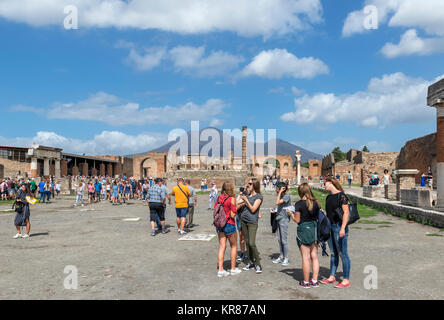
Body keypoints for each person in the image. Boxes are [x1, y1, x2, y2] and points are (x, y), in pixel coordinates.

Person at [321, 178, 351, 288]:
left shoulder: (341, 196)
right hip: (330, 227)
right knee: (333, 253)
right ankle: (332, 276)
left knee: (343, 253)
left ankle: (346, 279)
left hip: (339, 227)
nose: (323, 185)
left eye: (324, 183)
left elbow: (346, 213)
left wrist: (343, 228)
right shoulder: (328, 197)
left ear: (331, 183)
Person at [290, 183, 321, 288]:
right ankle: (315, 280)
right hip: (314, 228)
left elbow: (297, 220)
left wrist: (291, 214)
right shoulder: (316, 202)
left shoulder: (299, 204)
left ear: (300, 192)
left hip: (304, 229)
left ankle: (306, 282)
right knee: (315, 257)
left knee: (305, 257)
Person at [216, 182, 242, 277]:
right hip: (229, 224)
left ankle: (221, 269)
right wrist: (237, 206)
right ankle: (233, 269)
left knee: (222, 246)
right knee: (234, 246)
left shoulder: (219, 198)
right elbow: (232, 214)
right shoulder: (231, 199)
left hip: (219, 225)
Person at [239, 179, 263, 274]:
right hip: (243, 220)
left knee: (252, 243)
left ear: (255, 185)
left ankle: (258, 264)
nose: (248, 185)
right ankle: (250, 262)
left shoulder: (258, 197)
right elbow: (237, 202)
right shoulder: (247, 194)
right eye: (248, 183)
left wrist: (246, 201)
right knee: (247, 243)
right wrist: (243, 192)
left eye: (250, 184)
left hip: (252, 222)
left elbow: (253, 209)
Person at [272, 182, 291, 266]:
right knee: (279, 239)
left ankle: (286, 258)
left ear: (281, 188)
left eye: (277, 188)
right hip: (279, 218)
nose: (275, 189)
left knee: (284, 240)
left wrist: (279, 192)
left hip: (284, 219)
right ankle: (281, 256)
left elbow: (277, 202)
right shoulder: (282, 195)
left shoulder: (287, 196)